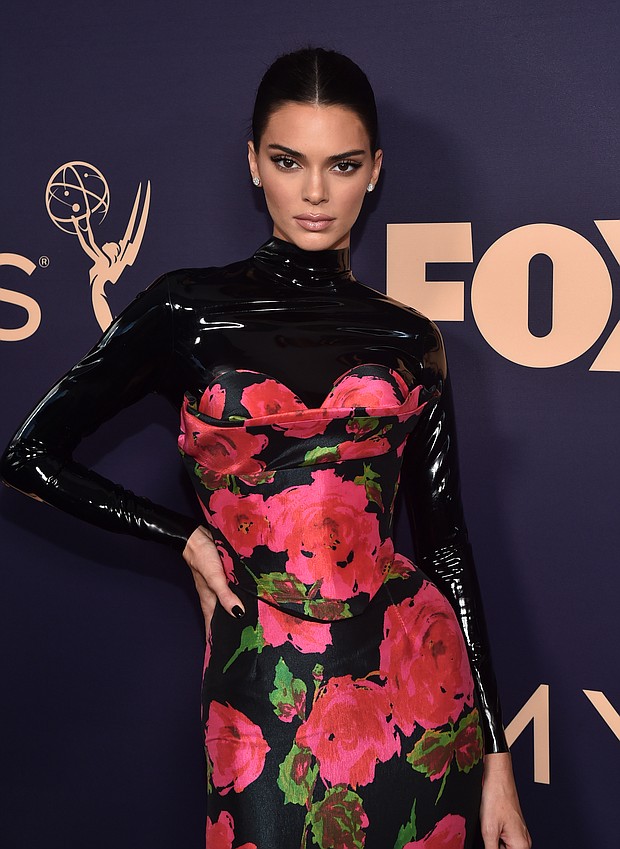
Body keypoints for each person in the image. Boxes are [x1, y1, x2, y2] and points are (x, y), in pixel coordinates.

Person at [1, 48, 531, 849]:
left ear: (375, 171)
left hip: (417, 683)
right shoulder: (188, 310)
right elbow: (29, 454)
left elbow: (447, 544)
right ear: (255, 164)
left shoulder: (411, 338)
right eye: (290, 161)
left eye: (342, 164)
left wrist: (497, 758)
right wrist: (182, 536)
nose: (315, 193)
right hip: (262, 688)